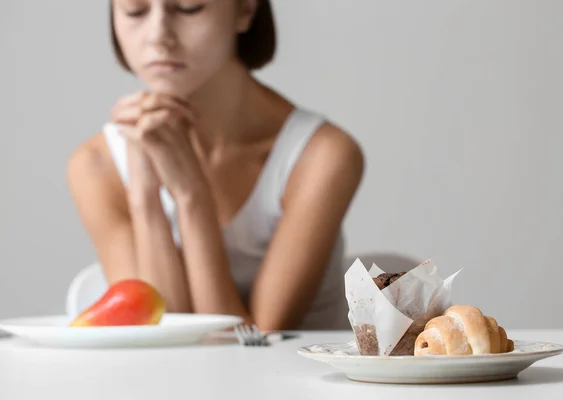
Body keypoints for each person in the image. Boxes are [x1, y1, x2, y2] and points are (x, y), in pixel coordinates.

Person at [67, 0, 364, 331]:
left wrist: (191, 194)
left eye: (189, 8)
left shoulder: (322, 155)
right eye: (135, 11)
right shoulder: (95, 165)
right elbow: (159, 336)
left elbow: (251, 343)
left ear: (245, 10)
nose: (157, 36)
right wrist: (145, 196)